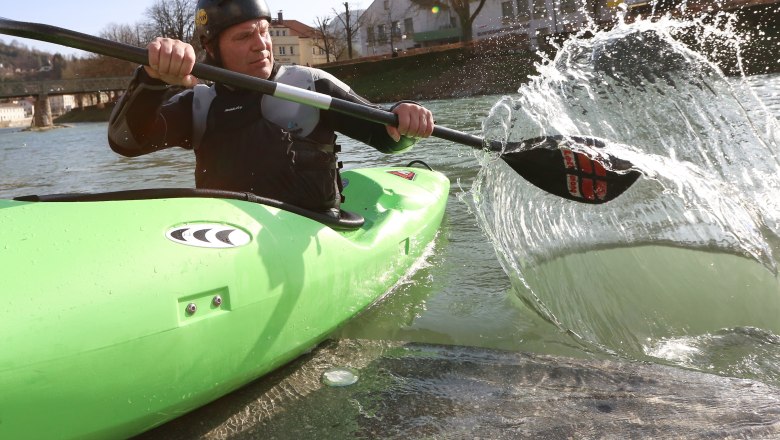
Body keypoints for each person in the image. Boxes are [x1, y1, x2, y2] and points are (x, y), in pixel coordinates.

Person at [108, 0, 434, 215]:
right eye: (244, 36)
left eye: (264, 31)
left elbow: (388, 138)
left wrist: (404, 117)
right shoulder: (198, 105)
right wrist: (151, 79)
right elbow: (125, 142)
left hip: (315, 231)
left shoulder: (311, 85)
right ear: (210, 47)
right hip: (229, 241)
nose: (261, 44)